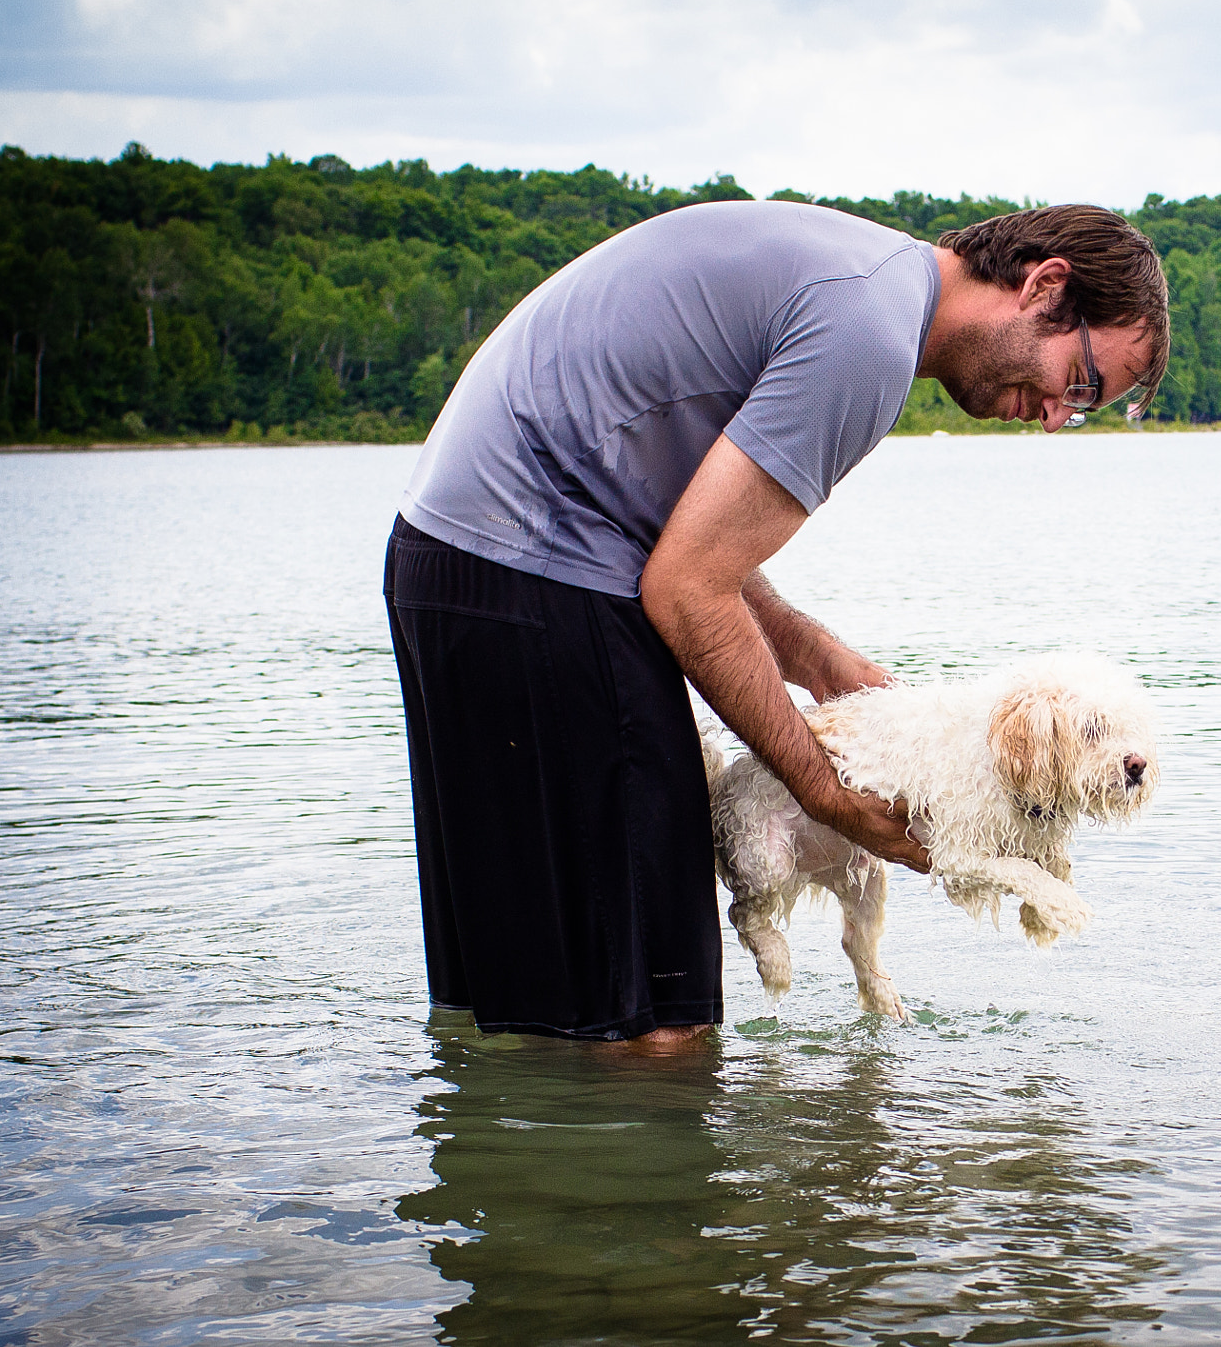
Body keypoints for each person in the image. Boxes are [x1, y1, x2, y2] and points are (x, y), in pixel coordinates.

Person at [383, 199, 1169, 1048]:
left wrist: (810, 655)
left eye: (1084, 407)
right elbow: (685, 587)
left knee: (504, 1006)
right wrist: (825, 790)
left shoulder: (866, 278)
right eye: (1081, 382)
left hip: (453, 561)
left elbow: (684, 526)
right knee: (659, 1027)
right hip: (541, 570)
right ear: (1043, 287)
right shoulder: (868, 336)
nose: (1057, 415)